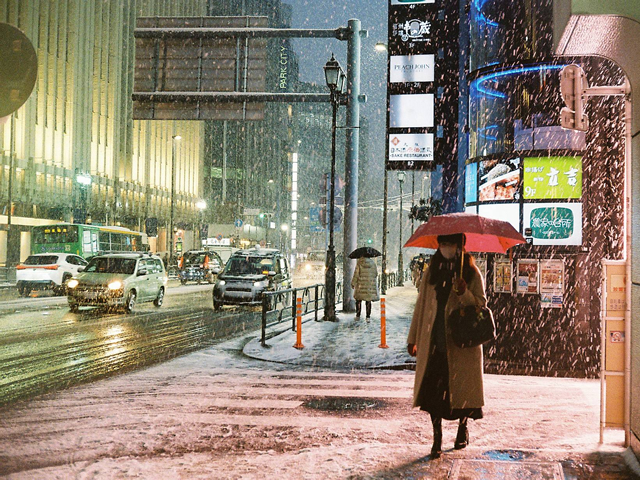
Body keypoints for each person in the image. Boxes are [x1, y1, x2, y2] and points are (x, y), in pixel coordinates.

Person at [406, 233, 487, 459]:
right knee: (433, 398)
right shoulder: (432, 273)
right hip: (434, 343)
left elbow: (481, 305)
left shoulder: (471, 273)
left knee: (461, 395)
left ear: (460, 246)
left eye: (450, 244)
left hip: (461, 344)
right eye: (442, 243)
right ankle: (437, 438)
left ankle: (462, 428)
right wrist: (413, 338)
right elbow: (420, 307)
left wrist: (463, 292)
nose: (446, 247)